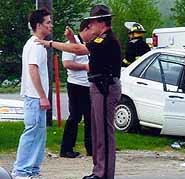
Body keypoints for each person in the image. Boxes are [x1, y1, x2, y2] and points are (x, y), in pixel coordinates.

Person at [35, 4, 121, 179]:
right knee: (97, 132)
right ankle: (98, 171)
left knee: (104, 133)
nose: (90, 27)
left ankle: (104, 174)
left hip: (105, 87)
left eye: (91, 24)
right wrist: (71, 40)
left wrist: (50, 43)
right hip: (98, 86)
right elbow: (84, 51)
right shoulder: (100, 40)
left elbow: (79, 50)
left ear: (100, 22)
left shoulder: (107, 40)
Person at [12, 9, 52, 179]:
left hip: (35, 98)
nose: (51, 25)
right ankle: (21, 170)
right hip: (35, 98)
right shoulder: (36, 44)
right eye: (48, 22)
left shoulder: (35, 43)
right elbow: (33, 69)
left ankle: (32, 170)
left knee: (38, 135)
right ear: (38, 25)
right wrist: (42, 96)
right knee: (32, 133)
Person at [60, 21, 93, 158]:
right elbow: (67, 63)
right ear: (85, 30)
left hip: (89, 85)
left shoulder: (88, 45)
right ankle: (66, 148)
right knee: (75, 116)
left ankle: (91, 148)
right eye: (91, 31)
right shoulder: (70, 45)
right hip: (76, 85)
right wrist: (84, 67)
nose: (92, 35)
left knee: (90, 118)